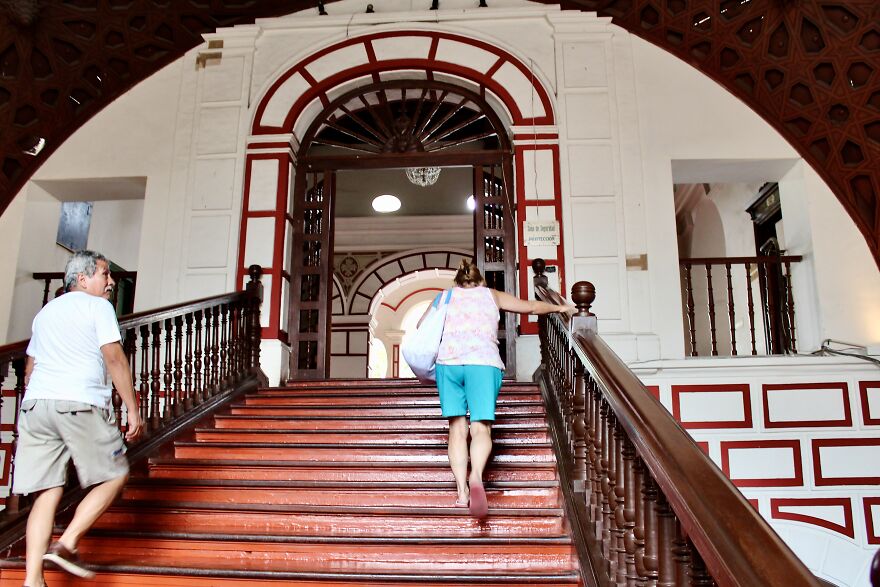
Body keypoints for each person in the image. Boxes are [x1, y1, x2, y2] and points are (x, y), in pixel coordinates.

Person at [13, 250, 142, 587]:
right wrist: (131, 407)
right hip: (78, 401)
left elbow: (30, 367)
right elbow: (114, 358)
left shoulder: (45, 313)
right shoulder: (98, 306)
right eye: (104, 274)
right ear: (82, 279)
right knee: (115, 474)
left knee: (46, 491)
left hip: (36, 406)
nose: (111, 281)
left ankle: (32, 580)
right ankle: (67, 544)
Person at [418, 259, 573, 519]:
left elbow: (422, 326)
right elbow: (532, 306)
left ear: (458, 282)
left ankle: (461, 492)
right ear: (480, 281)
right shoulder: (492, 295)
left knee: (457, 428)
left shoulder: (444, 297)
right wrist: (563, 306)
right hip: (483, 363)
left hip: (450, 365)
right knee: (480, 427)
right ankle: (476, 475)